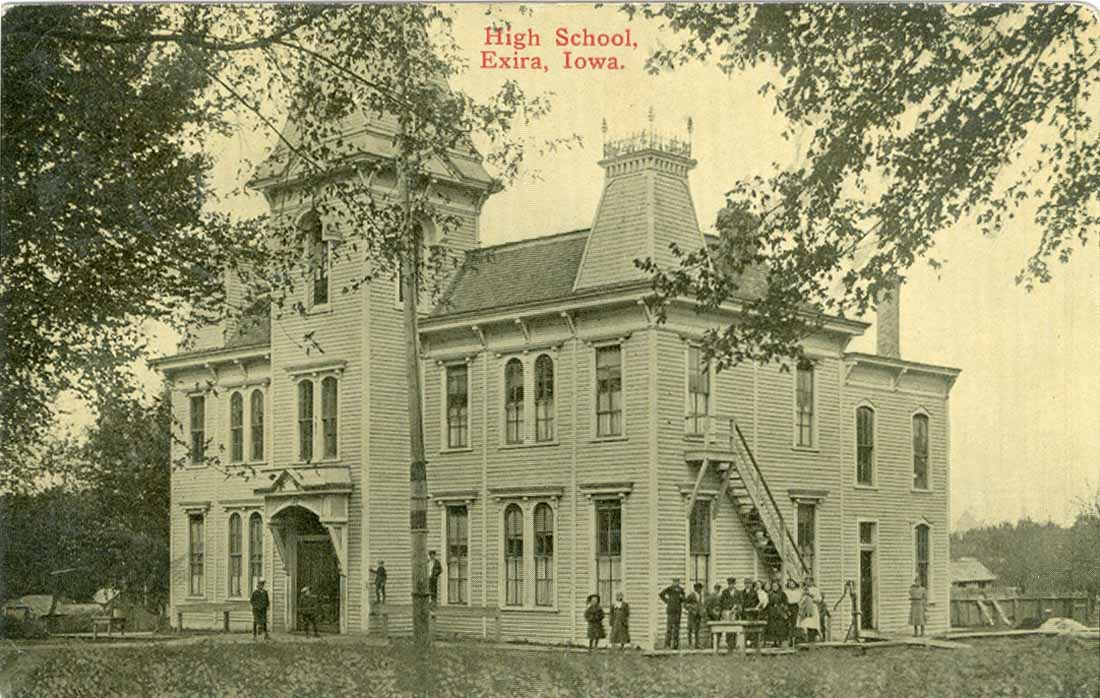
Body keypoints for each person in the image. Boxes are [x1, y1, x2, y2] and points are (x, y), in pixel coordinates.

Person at [659, 577, 686, 649]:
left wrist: (681, 600)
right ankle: (667, 644)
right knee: (669, 628)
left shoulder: (681, 590)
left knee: (677, 628)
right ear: (673, 582)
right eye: (675, 582)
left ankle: (675, 645)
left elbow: (684, 598)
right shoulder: (669, 589)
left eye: (677, 582)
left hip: (678, 611)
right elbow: (661, 594)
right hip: (671, 611)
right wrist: (667, 601)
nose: (676, 583)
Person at [798, 577, 822, 643]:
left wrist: (810, 595)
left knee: (812, 624)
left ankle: (813, 638)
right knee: (805, 624)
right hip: (804, 609)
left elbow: (819, 599)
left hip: (812, 608)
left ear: (812, 582)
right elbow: (800, 599)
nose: (807, 583)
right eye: (806, 581)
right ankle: (805, 639)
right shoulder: (803, 590)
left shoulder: (815, 589)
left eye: (809, 581)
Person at [767, 581, 787, 647]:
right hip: (772, 612)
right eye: (773, 586)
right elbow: (768, 603)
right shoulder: (770, 594)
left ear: (779, 586)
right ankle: (774, 642)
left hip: (780, 612)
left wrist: (782, 607)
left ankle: (780, 641)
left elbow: (785, 603)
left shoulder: (782, 594)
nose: (774, 587)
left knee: (780, 627)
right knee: (773, 627)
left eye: (776, 586)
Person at [685, 582, 704, 649]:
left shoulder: (700, 596)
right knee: (690, 629)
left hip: (698, 615)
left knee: (697, 630)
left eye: (701, 588)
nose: (700, 590)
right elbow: (685, 604)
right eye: (699, 588)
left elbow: (700, 605)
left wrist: (701, 611)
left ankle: (697, 644)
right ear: (695, 588)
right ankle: (690, 644)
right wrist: (691, 607)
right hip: (692, 615)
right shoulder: (691, 595)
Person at [784, 578, 802, 646]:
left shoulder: (798, 591)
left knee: (795, 623)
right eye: (790, 583)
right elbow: (785, 601)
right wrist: (787, 609)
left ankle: (796, 639)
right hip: (789, 606)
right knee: (789, 623)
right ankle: (790, 639)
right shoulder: (786, 592)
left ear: (795, 584)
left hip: (796, 606)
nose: (791, 584)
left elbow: (800, 600)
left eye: (792, 583)